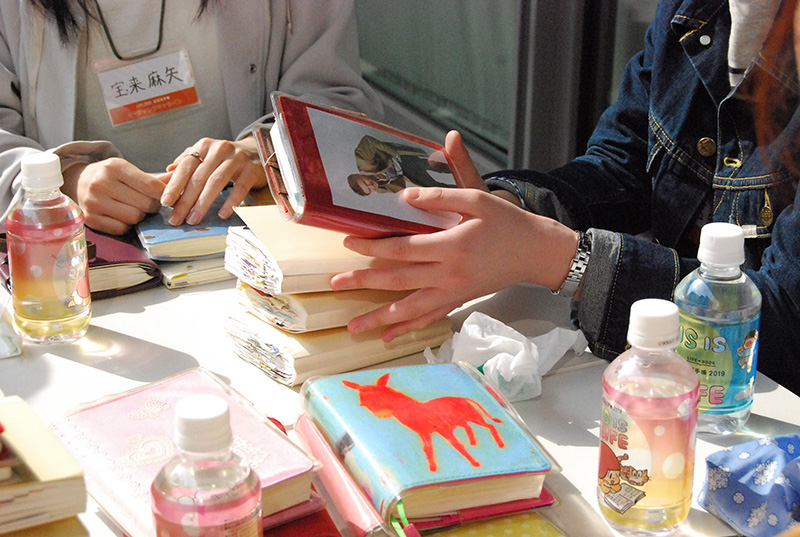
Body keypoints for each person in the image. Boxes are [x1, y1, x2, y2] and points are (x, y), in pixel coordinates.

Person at [330, 0, 800, 396]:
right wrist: (505, 208)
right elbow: (623, 164)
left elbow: (786, 323)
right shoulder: (692, 11)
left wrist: (559, 258)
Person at [0, 0, 382, 235]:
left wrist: (263, 151)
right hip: (83, 264)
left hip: (257, 248)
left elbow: (341, 102)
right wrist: (66, 180)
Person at [353, 135, 454, 189]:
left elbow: (367, 140)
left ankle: (456, 169)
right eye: (369, 189)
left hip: (404, 160)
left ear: (359, 176)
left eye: (365, 183)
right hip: (408, 173)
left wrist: (394, 153)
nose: (370, 186)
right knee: (434, 186)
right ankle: (460, 188)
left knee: (437, 166)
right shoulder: (380, 187)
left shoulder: (363, 162)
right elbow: (399, 188)